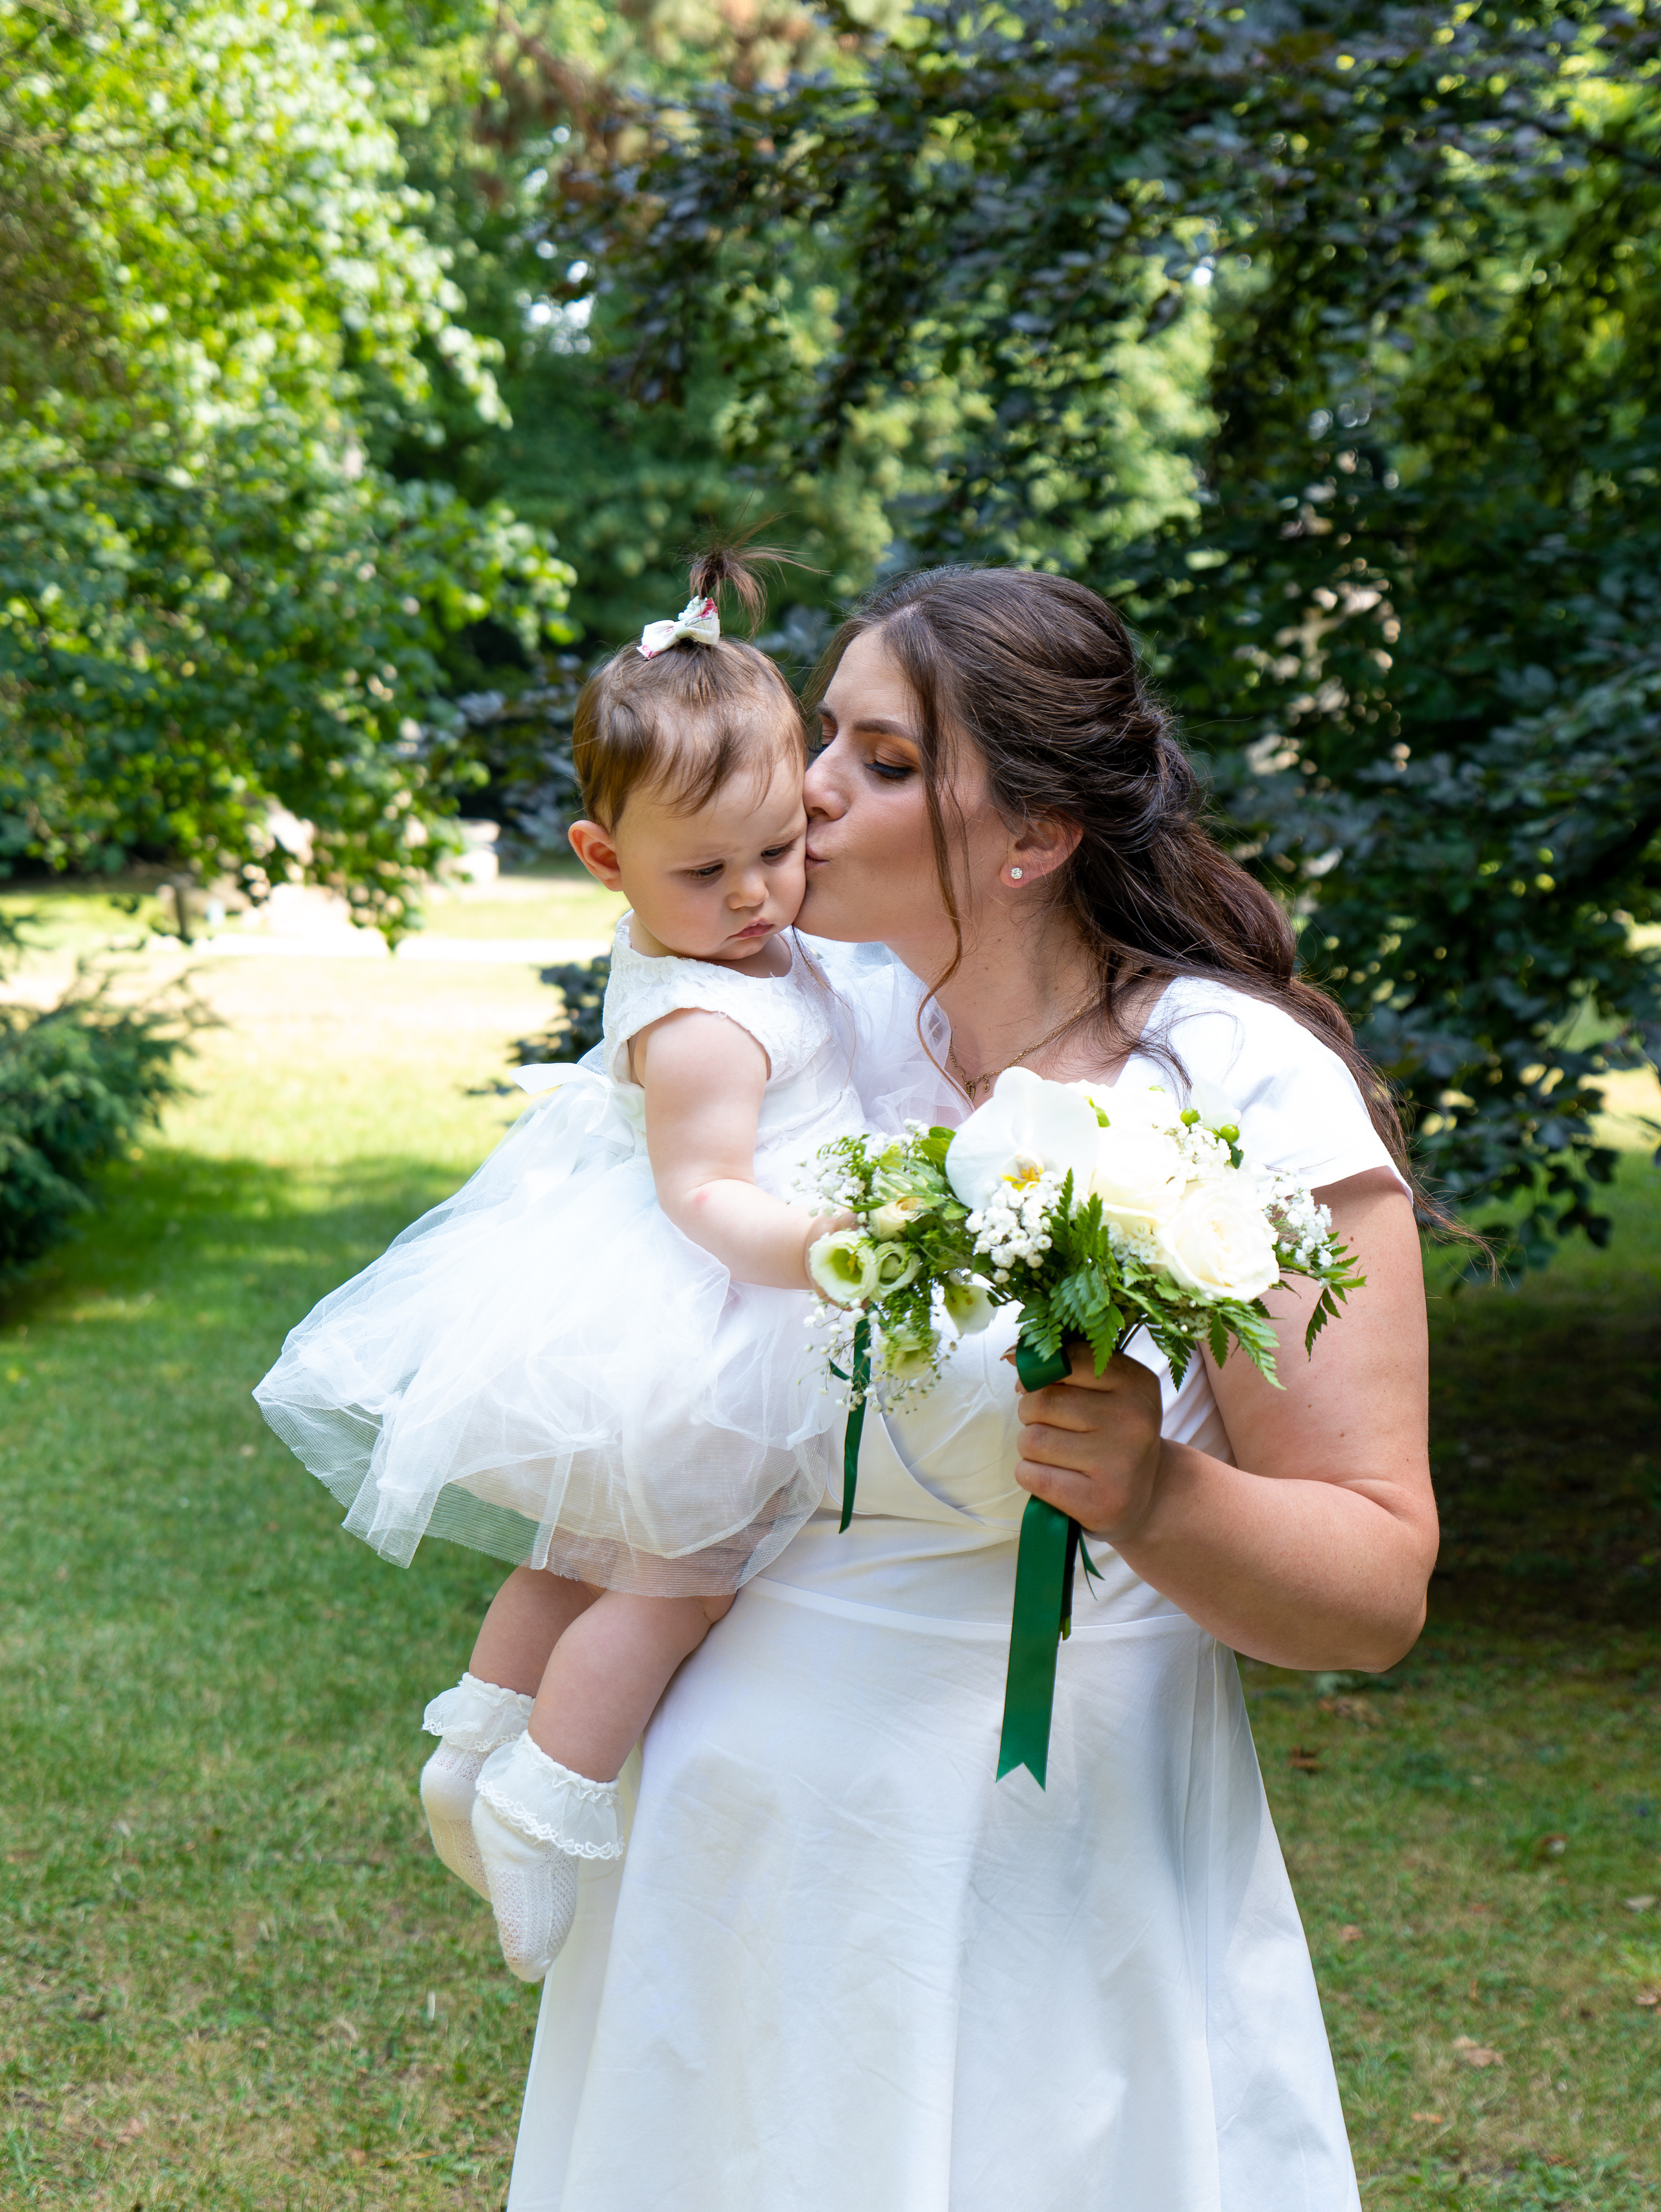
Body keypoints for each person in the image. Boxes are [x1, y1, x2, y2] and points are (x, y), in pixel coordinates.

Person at [503, 566, 1438, 2212]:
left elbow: (1372, 1590)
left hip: (1040, 1875)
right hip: (735, 1846)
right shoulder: (805, 1027)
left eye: (874, 758)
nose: (803, 788)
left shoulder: (1232, 1091)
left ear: (1029, 837)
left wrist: (1153, 1490)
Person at [254, 549, 866, 1982]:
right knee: (674, 1577)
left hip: (628, 1294)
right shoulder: (708, 1017)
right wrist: (820, 1248)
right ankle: (549, 1795)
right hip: (718, 1297)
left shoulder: (726, 941)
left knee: (571, 1548)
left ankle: (472, 1742)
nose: (760, 894)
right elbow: (706, 1187)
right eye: (705, 872)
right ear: (605, 861)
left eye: (780, 850)